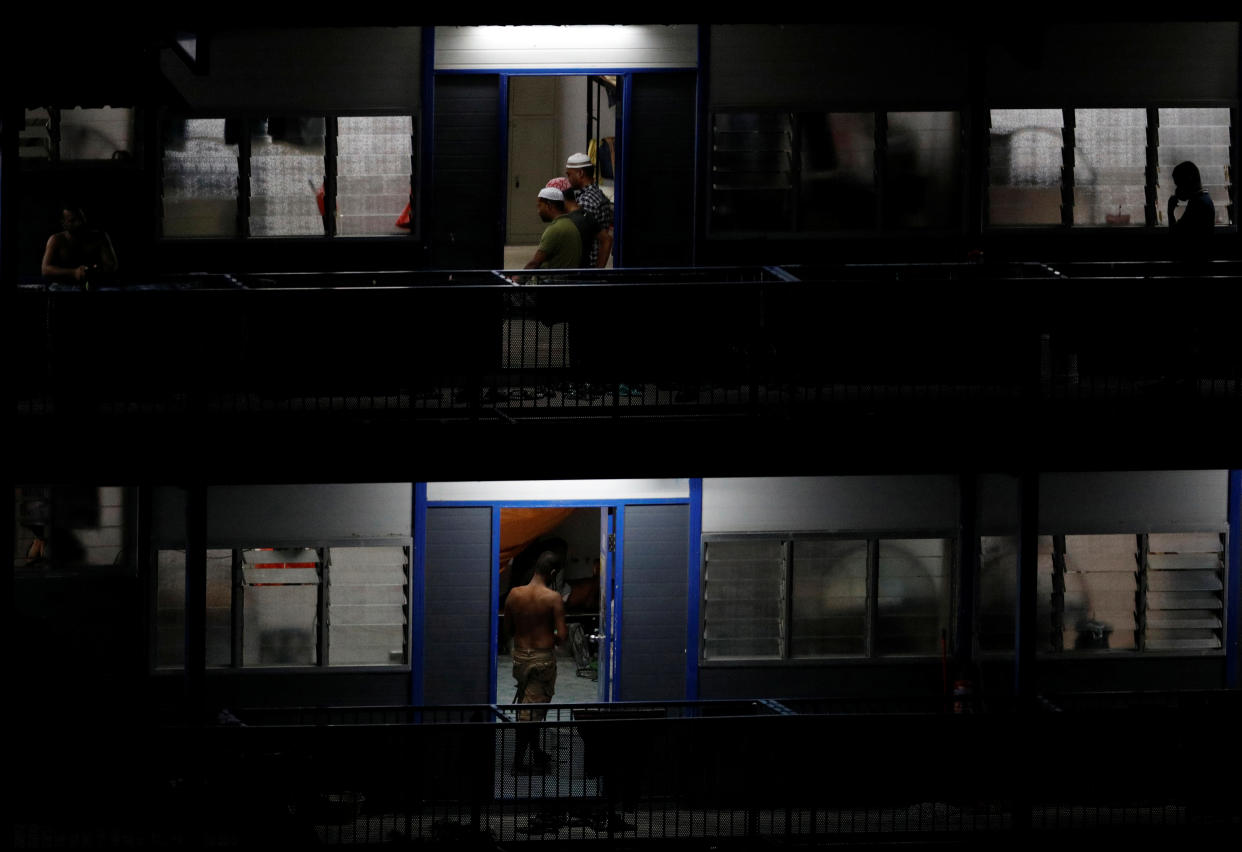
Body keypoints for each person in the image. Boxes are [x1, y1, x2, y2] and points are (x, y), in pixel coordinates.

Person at [503, 549, 567, 772]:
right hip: (542, 660)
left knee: (529, 708)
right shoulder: (553, 598)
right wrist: (550, 635)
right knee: (530, 715)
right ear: (552, 572)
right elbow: (563, 635)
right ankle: (518, 763)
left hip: (520, 657)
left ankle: (537, 752)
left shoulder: (514, 594)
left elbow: (508, 629)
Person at [41, 205, 118, 284]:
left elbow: (111, 266)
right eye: (72, 220)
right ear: (63, 223)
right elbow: (45, 270)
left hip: (95, 284)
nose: (79, 223)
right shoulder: (56, 239)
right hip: (63, 286)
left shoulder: (99, 237)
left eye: (81, 218)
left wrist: (92, 271)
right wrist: (74, 272)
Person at [565, 152, 613, 268]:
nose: (568, 179)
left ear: (580, 173)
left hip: (586, 267)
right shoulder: (599, 195)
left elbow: (578, 240)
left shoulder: (587, 201)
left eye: (569, 174)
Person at [523, 187, 581, 272]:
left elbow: (535, 263)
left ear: (549, 205)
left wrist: (515, 281)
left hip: (552, 282)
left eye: (539, 206)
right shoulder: (571, 224)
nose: (538, 211)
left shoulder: (555, 229)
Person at [1167, 161, 1215, 250]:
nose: (1177, 189)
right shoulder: (1203, 199)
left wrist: (1170, 211)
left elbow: (1176, 236)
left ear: (1188, 180)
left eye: (1179, 184)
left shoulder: (1197, 205)